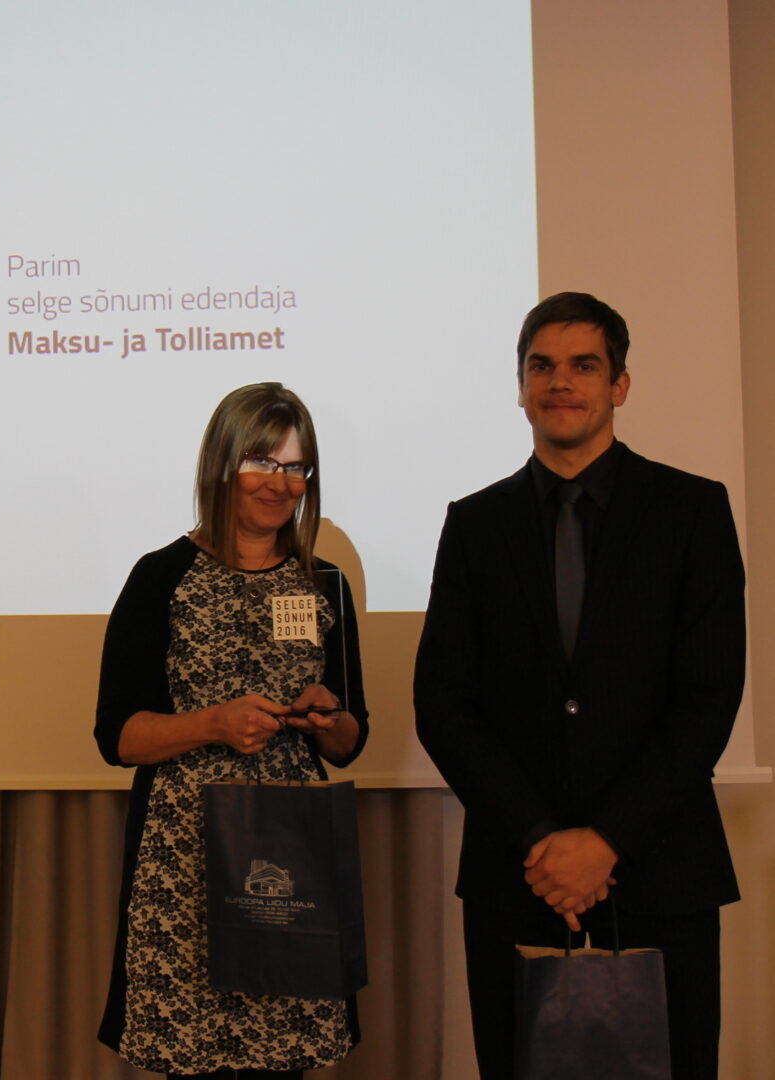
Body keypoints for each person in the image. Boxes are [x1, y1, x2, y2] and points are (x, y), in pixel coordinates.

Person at [413, 292, 745, 1080]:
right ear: (520, 387)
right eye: (541, 366)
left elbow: (707, 697)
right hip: (515, 876)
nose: (559, 381)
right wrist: (540, 840)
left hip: (660, 872)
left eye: (582, 365)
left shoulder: (692, 510)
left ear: (618, 385)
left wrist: (603, 843)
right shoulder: (473, 524)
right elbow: (443, 704)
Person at [95, 382, 368, 1079]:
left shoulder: (325, 584)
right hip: (184, 856)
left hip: (291, 855)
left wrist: (327, 719)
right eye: (262, 462)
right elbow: (117, 736)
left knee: (285, 1060)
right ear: (222, 464)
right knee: (195, 1059)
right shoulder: (160, 577)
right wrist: (213, 724)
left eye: (296, 467)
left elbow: (350, 741)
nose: (280, 483)